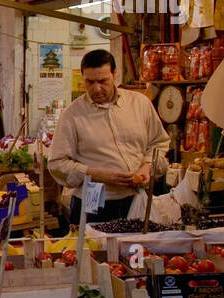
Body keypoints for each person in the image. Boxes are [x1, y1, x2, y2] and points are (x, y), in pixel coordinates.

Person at [48, 48, 171, 224]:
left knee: (137, 248)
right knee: (95, 249)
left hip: (135, 198)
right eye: (89, 82)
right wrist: (95, 174)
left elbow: (159, 143)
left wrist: (147, 166)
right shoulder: (72, 115)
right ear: (82, 77)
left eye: (103, 81)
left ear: (115, 74)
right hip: (93, 201)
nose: (97, 88)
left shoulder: (140, 104)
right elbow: (57, 163)